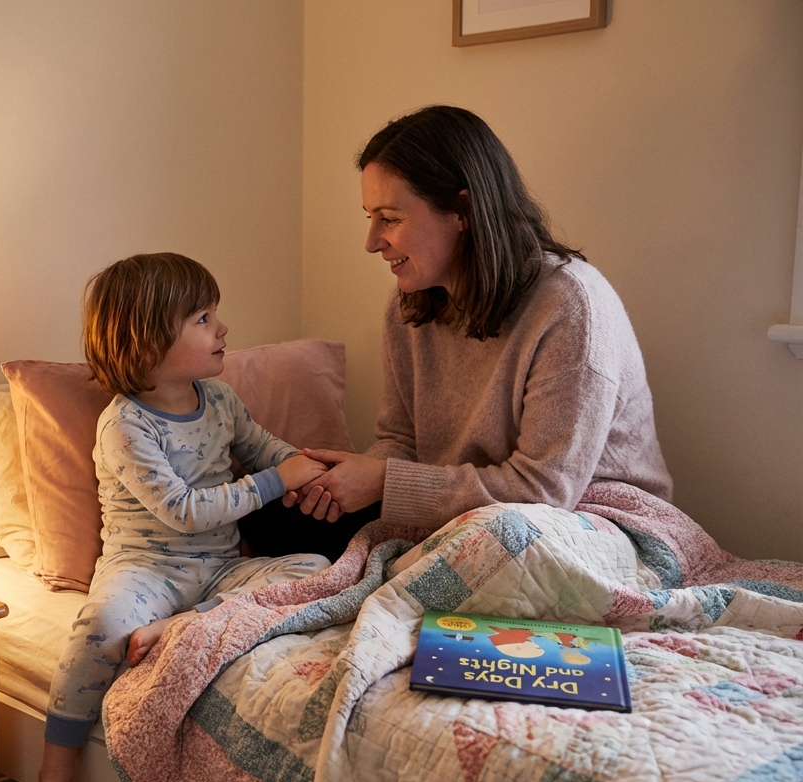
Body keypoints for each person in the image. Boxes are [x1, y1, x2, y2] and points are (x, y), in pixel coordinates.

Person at [27, 252, 331, 782]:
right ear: (147, 339)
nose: (222, 329)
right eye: (202, 317)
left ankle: (190, 624)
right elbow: (184, 511)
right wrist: (277, 481)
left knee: (312, 569)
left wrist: (313, 469)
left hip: (218, 567)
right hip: (147, 570)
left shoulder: (217, 400)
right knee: (99, 628)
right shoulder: (125, 425)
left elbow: (268, 451)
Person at [286, 105, 671, 536]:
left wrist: (383, 482)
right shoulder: (408, 307)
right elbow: (401, 440)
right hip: (471, 520)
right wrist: (342, 480)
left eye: (390, 219)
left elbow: (543, 492)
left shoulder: (571, 305)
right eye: (370, 217)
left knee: (502, 544)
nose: (372, 242)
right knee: (294, 525)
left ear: (463, 211)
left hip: (595, 520)